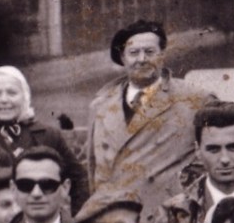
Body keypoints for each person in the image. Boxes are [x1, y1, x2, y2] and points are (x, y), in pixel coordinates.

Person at [86, 20, 204, 210]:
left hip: (167, 220)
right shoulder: (100, 107)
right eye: (133, 53)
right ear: (123, 58)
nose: (142, 59)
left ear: (162, 55)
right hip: (115, 221)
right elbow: (92, 172)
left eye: (150, 52)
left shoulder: (194, 101)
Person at [0, 65, 89, 209]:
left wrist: (77, 221)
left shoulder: (48, 135)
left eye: (12, 93)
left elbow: (79, 179)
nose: (4, 100)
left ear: (25, 96)